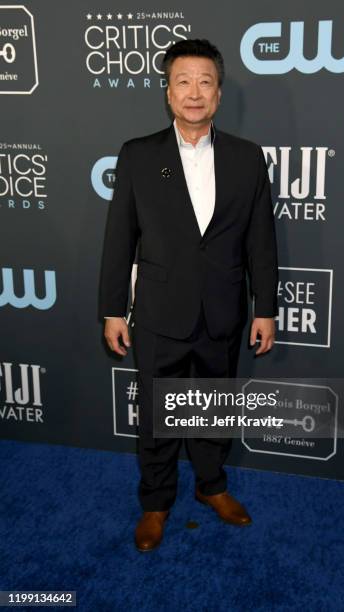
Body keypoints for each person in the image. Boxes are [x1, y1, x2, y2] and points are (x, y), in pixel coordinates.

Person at [99, 38, 278, 552]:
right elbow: (119, 240)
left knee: (213, 411)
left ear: (219, 94)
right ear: (168, 93)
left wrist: (264, 306)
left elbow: (260, 241)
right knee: (157, 418)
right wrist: (114, 308)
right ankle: (156, 502)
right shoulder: (138, 155)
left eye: (205, 82)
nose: (194, 92)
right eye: (183, 81)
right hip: (157, 314)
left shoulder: (247, 158)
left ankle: (211, 487)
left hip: (223, 311)